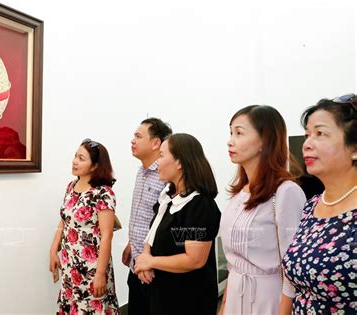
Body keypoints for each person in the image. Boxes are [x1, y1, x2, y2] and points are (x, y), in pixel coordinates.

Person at [218, 105, 307, 315]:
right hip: (234, 297)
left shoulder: (286, 192)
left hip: (268, 299)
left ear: (264, 140)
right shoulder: (239, 193)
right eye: (231, 132)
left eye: (239, 133)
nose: (230, 140)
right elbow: (233, 263)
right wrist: (223, 306)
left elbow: (292, 269)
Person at [282, 94, 357, 314]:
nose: (307, 144)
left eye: (320, 134)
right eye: (307, 135)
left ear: (354, 148)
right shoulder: (312, 205)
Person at [134, 133, 221, 315]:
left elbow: (194, 259)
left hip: (188, 300)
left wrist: (151, 261)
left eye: (162, 155)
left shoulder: (199, 206)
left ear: (180, 162)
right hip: (163, 294)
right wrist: (145, 259)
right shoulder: (168, 196)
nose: (158, 161)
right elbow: (154, 233)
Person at [49, 138, 119, 314]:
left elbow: (107, 235)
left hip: (91, 268)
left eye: (81, 158)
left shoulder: (103, 193)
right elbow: (64, 220)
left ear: (95, 166)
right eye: (75, 156)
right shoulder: (71, 186)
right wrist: (53, 251)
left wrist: (101, 274)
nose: (74, 161)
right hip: (70, 264)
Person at [121, 117, 172, 314]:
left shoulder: (165, 177)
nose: (132, 140)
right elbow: (143, 216)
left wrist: (147, 257)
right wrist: (131, 244)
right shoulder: (141, 172)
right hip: (136, 262)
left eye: (138, 136)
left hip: (153, 267)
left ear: (155, 143)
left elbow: (163, 225)